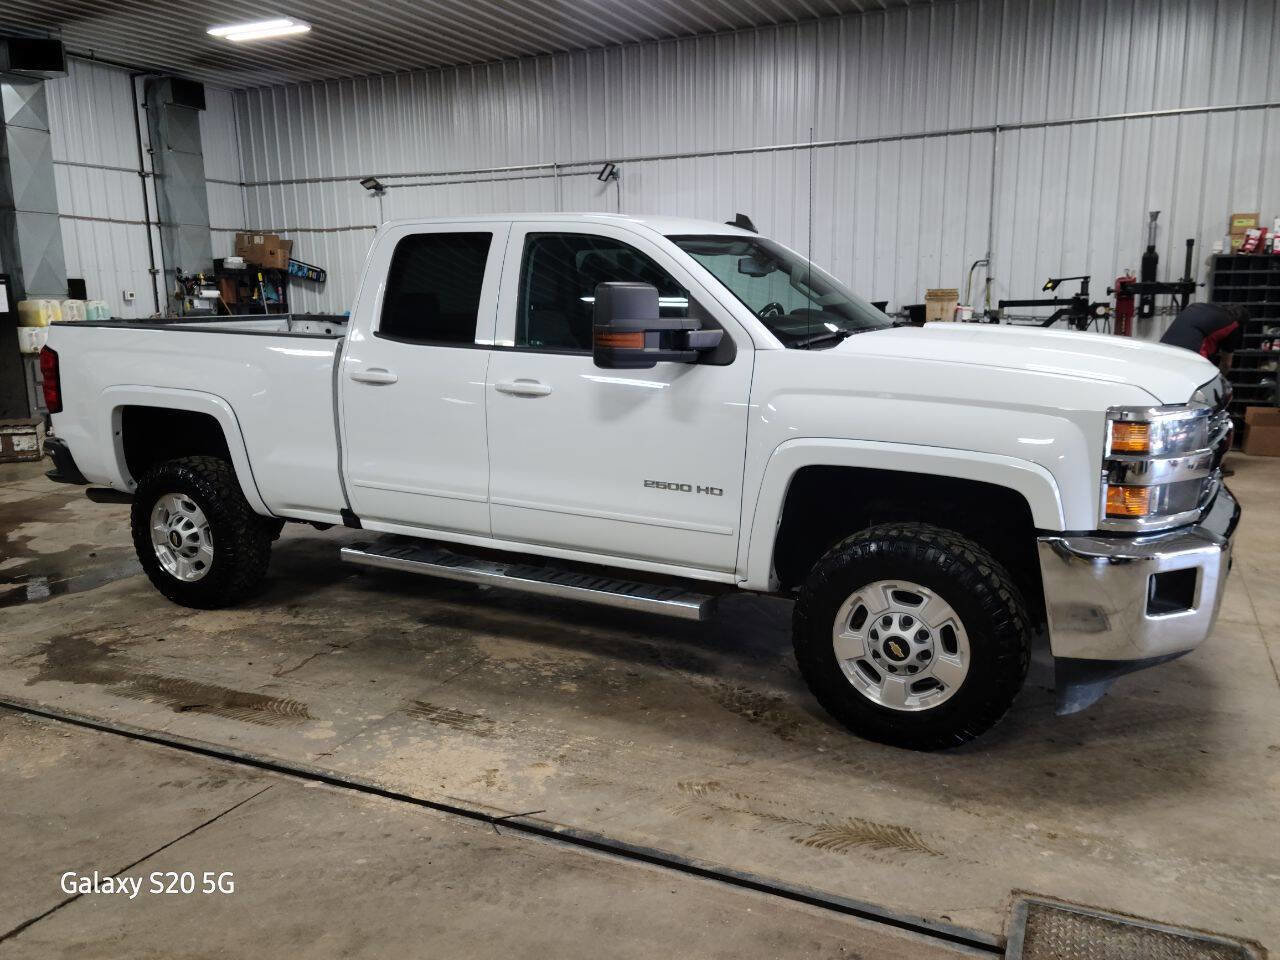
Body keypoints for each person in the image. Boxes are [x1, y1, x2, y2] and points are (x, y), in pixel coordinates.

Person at [1160, 302, 1247, 364]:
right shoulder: (1233, 324)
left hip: (1162, 350)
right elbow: (1226, 364)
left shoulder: (1195, 306)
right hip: (1191, 357)